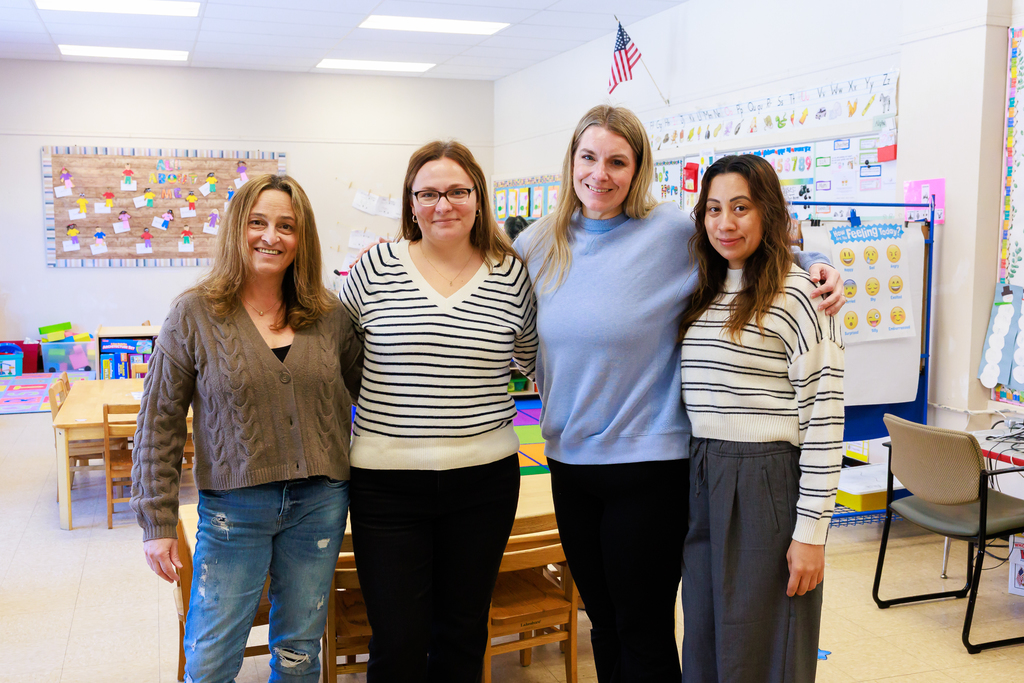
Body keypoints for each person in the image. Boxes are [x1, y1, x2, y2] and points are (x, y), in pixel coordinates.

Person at [513, 105, 844, 683]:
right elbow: (516, 332)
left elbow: (758, 246)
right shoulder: (541, 243)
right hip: (568, 463)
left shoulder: (672, 233)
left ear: (638, 169)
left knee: (643, 627)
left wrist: (821, 262)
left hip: (650, 466)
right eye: (588, 158)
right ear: (570, 162)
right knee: (605, 624)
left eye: (618, 161)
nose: (600, 174)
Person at [131, 173, 363, 683]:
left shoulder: (330, 316)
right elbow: (158, 422)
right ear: (238, 229)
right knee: (212, 656)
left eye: (286, 226)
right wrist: (157, 520)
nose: (271, 237)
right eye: (258, 222)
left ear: (303, 239)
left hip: (320, 504)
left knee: (300, 649)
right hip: (235, 508)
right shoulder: (194, 313)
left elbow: (370, 394)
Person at [339, 140, 537, 683]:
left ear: (478, 198)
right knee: (398, 639)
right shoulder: (376, 267)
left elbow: (532, 357)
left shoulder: (512, 276)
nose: (442, 205)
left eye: (456, 191)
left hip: (484, 482)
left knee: (462, 634)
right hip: (386, 483)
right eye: (427, 193)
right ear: (410, 201)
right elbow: (332, 351)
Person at [679, 154, 844, 682]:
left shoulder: (801, 295)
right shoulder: (704, 286)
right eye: (713, 209)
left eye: (741, 208)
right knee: (705, 642)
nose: (725, 223)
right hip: (703, 475)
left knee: (764, 647)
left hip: (766, 481)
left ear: (768, 211)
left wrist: (812, 534)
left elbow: (825, 419)